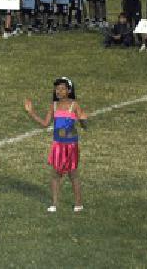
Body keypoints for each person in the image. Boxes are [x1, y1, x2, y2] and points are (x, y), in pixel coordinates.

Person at [23, 77, 88, 213]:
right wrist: (31, 112)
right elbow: (45, 123)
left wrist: (82, 121)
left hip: (70, 145)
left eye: (62, 88)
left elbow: (84, 124)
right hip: (58, 144)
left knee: (73, 174)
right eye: (57, 88)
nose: (59, 91)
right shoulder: (53, 105)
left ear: (69, 90)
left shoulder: (74, 105)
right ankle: (54, 203)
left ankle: (78, 203)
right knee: (55, 174)